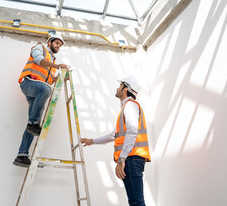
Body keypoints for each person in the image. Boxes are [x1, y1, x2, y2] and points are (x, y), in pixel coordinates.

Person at [80, 76, 151, 206]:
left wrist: (122, 159)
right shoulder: (126, 108)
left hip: (132, 159)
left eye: (120, 86)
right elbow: (114, 135)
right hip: (131, 159)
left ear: (125, 89)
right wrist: (92, 141)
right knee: (134, 202)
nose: (117, 88)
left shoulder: (130, 106)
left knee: (137, 202)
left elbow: (132, 131)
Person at [13, 34, 69, 168]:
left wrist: (61, 77)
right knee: (46, 90)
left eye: (60, 45)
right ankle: (33, 122)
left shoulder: (52, 62)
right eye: (56, 43)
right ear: (49, 42)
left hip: (38, 91)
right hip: (29, 84)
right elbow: (38, 60)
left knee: (33, 125)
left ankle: (22, 155)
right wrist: (57, 67)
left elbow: (49, 80)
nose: (58, 46)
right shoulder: (40, 48)